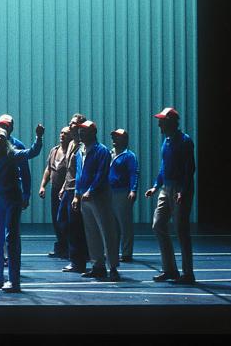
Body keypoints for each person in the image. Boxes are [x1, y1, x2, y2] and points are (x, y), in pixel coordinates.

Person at [0, 123, 44, 293]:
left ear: (6, 140)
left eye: (1, 136)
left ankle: (13, 280)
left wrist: (38, 137)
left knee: (11, 239)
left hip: (12, 201)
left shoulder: (13, 155)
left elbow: (32, 152)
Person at [145, 107, 196, 285]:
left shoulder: (185, 141)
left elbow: (190, 168)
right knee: (158, 224)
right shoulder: (166, 141)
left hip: (179, 188)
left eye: (162, 121)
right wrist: (155, 186)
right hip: (166, 187)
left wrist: (183, 190)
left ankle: (188, 273)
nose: (159, 124)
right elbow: (163, 166)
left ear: (171, 122)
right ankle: (170, 269)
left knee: (181, 230)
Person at [73, 120, 121, 281]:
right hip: (84, 196)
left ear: (93, 133)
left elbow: (102, 174)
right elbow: (78, 175)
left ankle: (113, 267)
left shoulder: (102, 151)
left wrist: (91, 190)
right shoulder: (80, 152)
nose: (80, 133)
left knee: (107, 231)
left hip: (99, 196)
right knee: (91, 232)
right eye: (80, 130)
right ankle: (97, 265)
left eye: (84, 131)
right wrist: (77, 194)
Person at [57, 114, 90, 274]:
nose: (70, 125)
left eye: (73, 123)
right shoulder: (71, 144)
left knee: (75, 226)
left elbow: (81, 171)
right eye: (70, 123)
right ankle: (78, 254)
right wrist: (63, 186)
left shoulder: (83, 146)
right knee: (62, 221)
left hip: (77, 189)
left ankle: (78, 261)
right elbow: (69, 170)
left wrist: (78, 193)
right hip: (68, 188)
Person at [39, 126, 72, 259]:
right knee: (55, 219)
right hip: (55, 189)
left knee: (65, 219)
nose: (62, 135)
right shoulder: (54, 150)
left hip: (67, 190)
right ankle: (61, 246)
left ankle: (69, 247)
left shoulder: (71, 152)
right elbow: (49, 169)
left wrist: (64, 187)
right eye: (61, 133)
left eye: (66, 133)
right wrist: (42, 186)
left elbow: (70, 172)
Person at [108, 128, 139, 262]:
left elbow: (134, 173)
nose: (114, 139)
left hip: (122, 192)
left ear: (125, 140)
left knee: (124, 224)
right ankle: (112, 251)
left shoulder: (129, 156)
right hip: (109, 192)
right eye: (114, 136)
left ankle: (126, 253)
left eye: (118, 137)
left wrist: (133, 190)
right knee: (112, 225)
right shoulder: (109, 154)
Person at [0, 114, 34, 212]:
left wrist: (26, 194)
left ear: (11, 128)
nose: (2, 129)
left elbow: (25, 172)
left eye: (5, 126)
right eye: (0, 126)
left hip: (12, 191)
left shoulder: (18, 146)